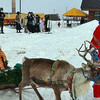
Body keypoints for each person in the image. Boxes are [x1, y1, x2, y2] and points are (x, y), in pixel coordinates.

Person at [90, 20, 100, 100]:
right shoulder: (99, 29)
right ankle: (97, 97)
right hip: (99, 60)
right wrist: (95, 56)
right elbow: (93, 45)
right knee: (98, 79)